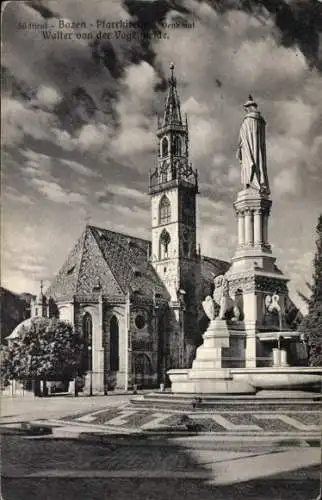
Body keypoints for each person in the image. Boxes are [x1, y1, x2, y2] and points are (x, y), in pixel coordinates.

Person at [237, 95, 270, 194]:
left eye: (246, 108)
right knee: (257, 162)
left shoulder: (247, 121)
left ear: (248, 108)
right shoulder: (261, 122)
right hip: (257, 150)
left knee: (249, 163)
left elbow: (241, 138)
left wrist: (239, 147)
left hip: (248, 149)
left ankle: (250, 183)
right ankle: (258, 182)